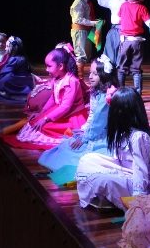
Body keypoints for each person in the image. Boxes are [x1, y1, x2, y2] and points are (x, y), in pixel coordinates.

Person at [75, 87, 150, 210]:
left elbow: (140, 170)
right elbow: (119, 159)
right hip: (126, 169)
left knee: (104, 180)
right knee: (87, 160)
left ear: (123, 112)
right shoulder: (122, 131)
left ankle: (121, 198)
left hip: (145, 180)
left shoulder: (139, 137)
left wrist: (138, 199)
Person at [37, 56, 118, 185]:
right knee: (68, 144)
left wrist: (85, 137)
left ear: (104, 75)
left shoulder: (106, 96)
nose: (90, 77)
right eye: (90, 73)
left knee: (77, 151)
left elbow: (99, 124)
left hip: (104, 135)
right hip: (94, 130)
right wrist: (84, 129)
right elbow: (92, 116)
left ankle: (65, 169)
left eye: (95, 74)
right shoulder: (96, 91)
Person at [2, 46, 88, 149]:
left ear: (60, 66)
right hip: (60, 110)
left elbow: (65, 106)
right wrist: (42, 113)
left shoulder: (71, 81)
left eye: (49, 66)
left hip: (71, 115)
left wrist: (46, 118)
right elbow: (53, 98)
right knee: (36, 121)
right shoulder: (58, 78)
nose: (46, 69)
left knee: (45, 127)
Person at [97, 0, 139, 67]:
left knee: (114, 51)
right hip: (122, 29)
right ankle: (119, 69)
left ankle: (114, 69)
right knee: (121, 51)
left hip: (120, 30)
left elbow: (100, 0)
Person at [0, 35, 34, 103]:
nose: (5, 48)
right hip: (25, 82)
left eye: (7, 46)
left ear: (13, 48)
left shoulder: (14, 59)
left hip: (16, 82)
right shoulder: (23, 58)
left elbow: (3, 73)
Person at [70, 0, 98, 79]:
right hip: (80, 31)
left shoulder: (85, 1)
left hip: (86, 30)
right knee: (81, 55)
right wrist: (92, 23)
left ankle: (80, 79)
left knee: (86, 55)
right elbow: (78, 19)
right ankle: (79, 80)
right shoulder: (78, 2)